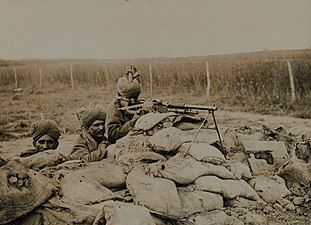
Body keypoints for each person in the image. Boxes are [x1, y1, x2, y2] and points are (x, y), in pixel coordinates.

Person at [105, 65, 143, 144]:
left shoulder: (137, 103)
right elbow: (112, 135)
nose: (133, 102)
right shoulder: (115, 108)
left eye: (135, 98)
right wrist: (132, 122)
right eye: (130, 99)